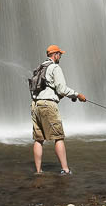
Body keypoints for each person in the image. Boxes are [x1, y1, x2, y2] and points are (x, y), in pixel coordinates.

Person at [31, 44, 86, 175]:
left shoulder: (39, 68)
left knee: (39, 139)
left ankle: (38, 171)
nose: (60, 56)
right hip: (48, 105)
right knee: (59, 137)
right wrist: (77, 95)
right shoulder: (55, 67)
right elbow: (61, 89)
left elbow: (48, 89)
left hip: (35, 104)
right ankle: (65, 170)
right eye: (59, 54)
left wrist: (62, 96)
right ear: (55, 54)